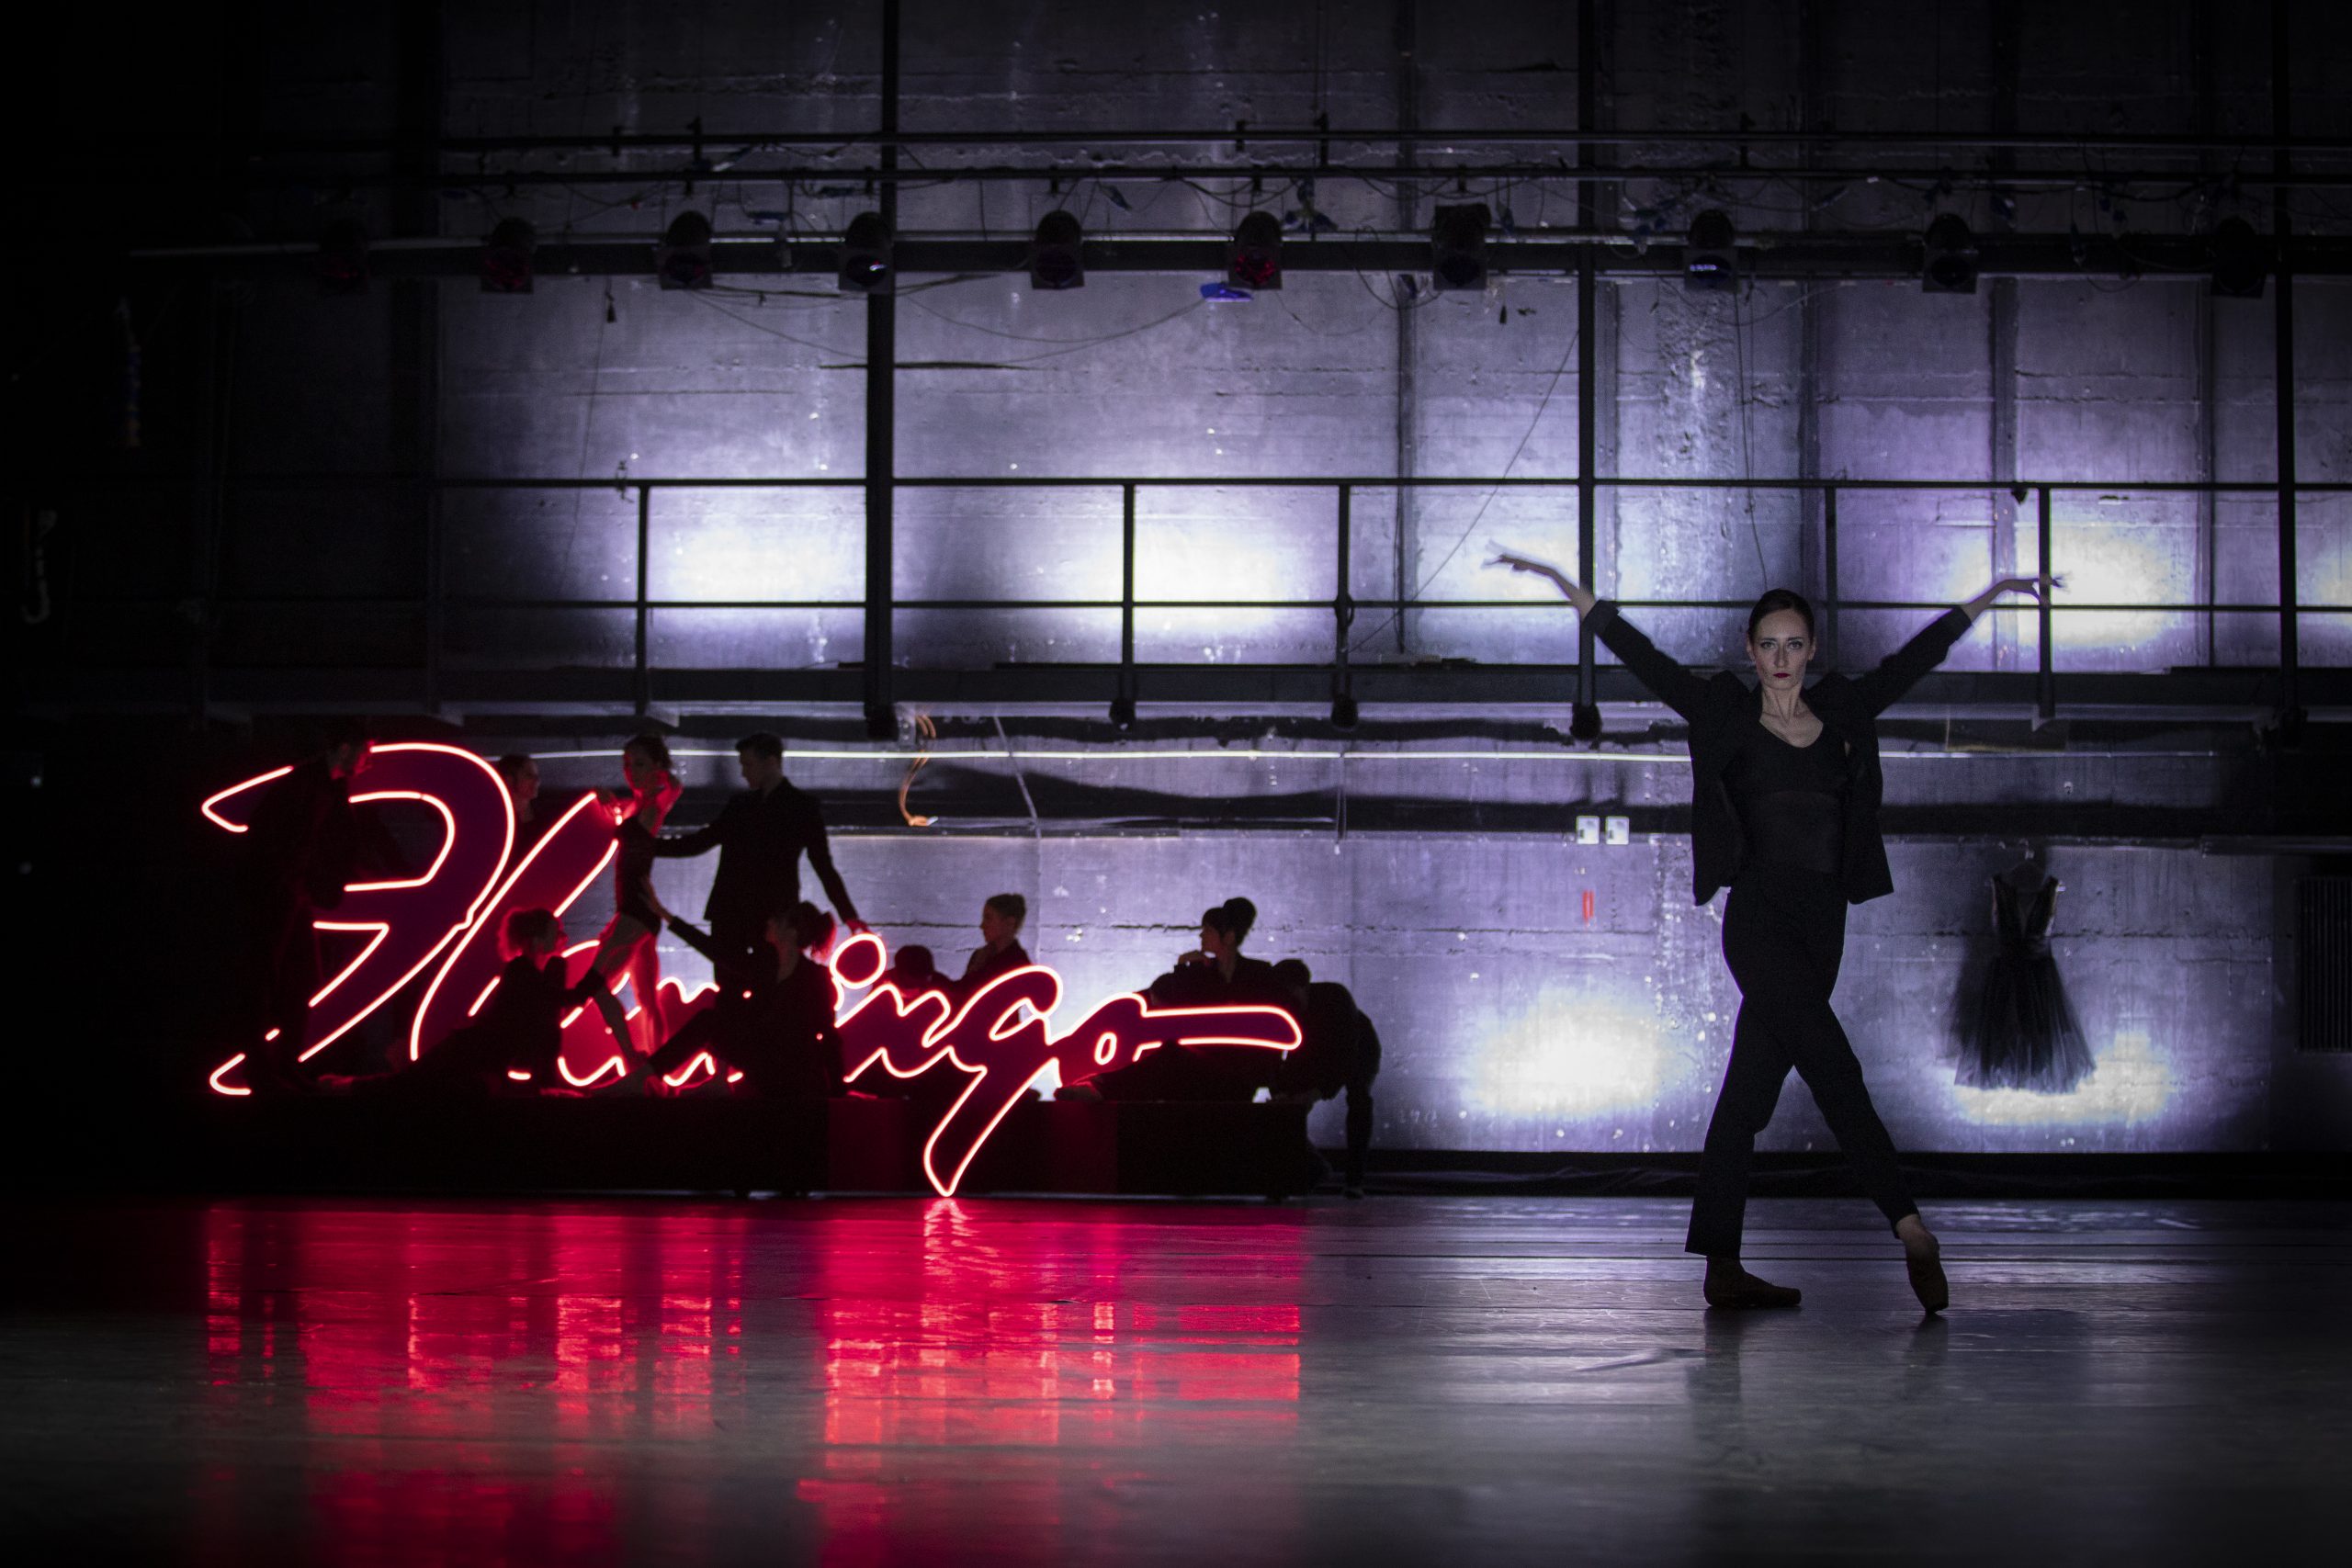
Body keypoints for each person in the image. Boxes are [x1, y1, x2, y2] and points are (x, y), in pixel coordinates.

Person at [1491, 547, 2053, 1314]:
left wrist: (1996, 591)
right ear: (1750, 651)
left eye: (1794, 643)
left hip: (1823, 925)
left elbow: (1917, 657)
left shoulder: (1844, 713)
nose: (1781, 657)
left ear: (1811, 648)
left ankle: (1722, 1266)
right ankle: (1910, 1224)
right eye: (1768, 644)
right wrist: (1565, 586)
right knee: (1835, 1067)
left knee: (1746, 1097)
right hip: (1757, 920)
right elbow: (1643, 657)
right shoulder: (1725, 712)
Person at [234, 722, 398, 1093]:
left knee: (299, 979)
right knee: (268, 981)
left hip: (292, 895)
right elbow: (276, 837)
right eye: (365, 752)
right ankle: (264, 1070)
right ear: (344, 749)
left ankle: (281, 1066)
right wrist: (291, 878)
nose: (369, 761)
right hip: (278, 895)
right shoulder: (305, 786)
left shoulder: (324, 787)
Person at [324, 908, 629, 1099]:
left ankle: (342, 1087)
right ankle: (340, 1087)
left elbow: (556, 1012)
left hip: (478, 1051)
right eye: (556, 931)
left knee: (414, 1085)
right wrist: (601, 963)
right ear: (537, 939)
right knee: (408, 1084)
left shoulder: (535, 972)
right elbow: (566, 1000)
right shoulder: (521, 970)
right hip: (472, 1048)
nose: (563, 936)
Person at [653, 731, 865, 973]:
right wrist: (848, 915)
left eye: (748, 764)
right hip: (765, 912)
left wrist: (646, 846)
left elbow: (699, 842)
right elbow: (823, 866)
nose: (744, 772)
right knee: (760, 984)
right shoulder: (795, 806)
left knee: (743, 984)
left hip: (744, 911)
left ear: (771, 762)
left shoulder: (755, 806)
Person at [1062, 897, 1287, 1102]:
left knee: (1171, 1058)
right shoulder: (1203, 974)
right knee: (1171, 1055)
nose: (1201, 936)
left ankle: (1102, 1088)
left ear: (1228, 937)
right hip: (1204, 1067)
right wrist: (1183, 966)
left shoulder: (1258, 974)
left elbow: (1274, 1031)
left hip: (1239, 1073)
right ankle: (1102, 1088)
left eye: (1208, 930)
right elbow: (1179, 1009)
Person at [638, 900, 842, 1099]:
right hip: (762, 1063)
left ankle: (649, 1077)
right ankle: (644, 1076)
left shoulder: (815, 977)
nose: (768, 922)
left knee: (722, 1017)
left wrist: (838, 1091)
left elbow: (828, 1034)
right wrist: (666, 915)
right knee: (709, 1019)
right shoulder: (764, 967)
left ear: (791, 932)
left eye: (776, 919)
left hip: (794, 1073)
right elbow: (717, 952)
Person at [1957, 854, 2096, 1094]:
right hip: (2019, 977)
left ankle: (2028, 1072)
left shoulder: (2047, 888)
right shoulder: (2002, 886)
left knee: (2034, 1033)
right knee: (2010, 1032)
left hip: (2030, 977)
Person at [590, 733, 683, 1055]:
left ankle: (633, 1059)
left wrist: (659, 777)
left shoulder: (656, 802)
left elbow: (675, 785)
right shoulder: (635, 806)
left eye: (639, 764)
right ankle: (652, 1067)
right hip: (635, 908)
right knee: (646, 997)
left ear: (657, 767)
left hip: (635, 911)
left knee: (595, 984)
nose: (631, 771)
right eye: (627, 764)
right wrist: (610, 803)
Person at [1270, 958, 1382, 1196]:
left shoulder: (1336, 999)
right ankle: (1301, 1172)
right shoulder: (1285, 1007)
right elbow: (1277, 1054)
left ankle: (1354, 1181)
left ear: (1303, 987)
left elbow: (1346, 1054)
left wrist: (1315, 1093)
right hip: (1312, 1048)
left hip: (1360, 1046)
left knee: (1359, 1099)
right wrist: (1280, 1091)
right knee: (1287, 1107)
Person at [954, 893, 1032, 998]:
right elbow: (962, 991)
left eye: (988, 918)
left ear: (1009, 923)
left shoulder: (1019, 964)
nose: (982, 925)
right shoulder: (980, 956)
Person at [495, 753, 557, 854]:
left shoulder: (545, 815)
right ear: (509, 779)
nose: (537, 781)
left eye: (537, 776)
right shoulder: (496, 820)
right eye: (529, 775)